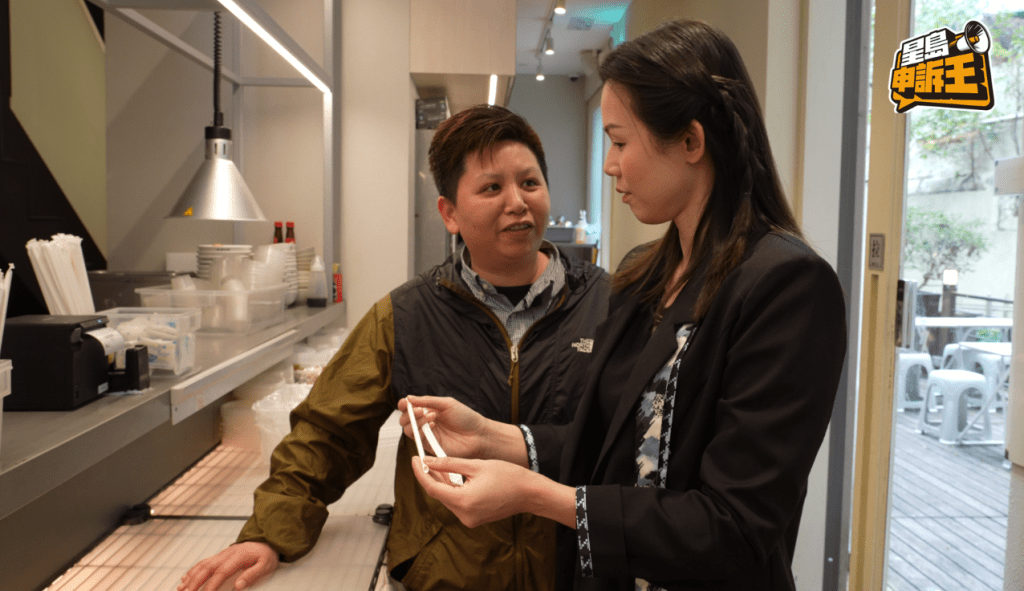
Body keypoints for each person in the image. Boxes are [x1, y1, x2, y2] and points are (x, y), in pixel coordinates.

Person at [400, 19, 848, 591]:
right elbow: (613, 443)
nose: (610, 165)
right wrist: (493, 437)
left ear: (691, 142)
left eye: (619, 141)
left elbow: (734, 528)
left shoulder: (787, 286)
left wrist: (537, 496)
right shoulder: (645, 275)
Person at [178, 105, 611, 591]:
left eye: (530, 183)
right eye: (492, 188)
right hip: (448, 575)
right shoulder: (406, 316)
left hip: (579, 570)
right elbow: (328, 433)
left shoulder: (610, 305)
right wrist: (269, 534)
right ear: (449, 213)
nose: (517, 202)